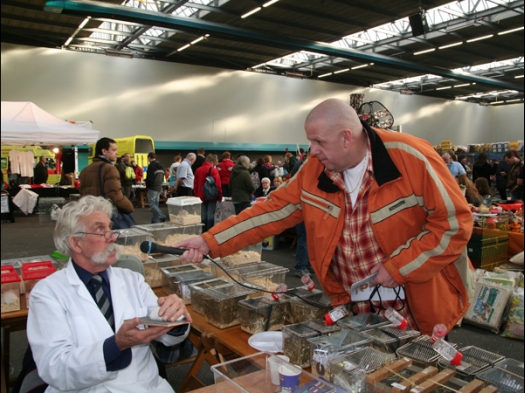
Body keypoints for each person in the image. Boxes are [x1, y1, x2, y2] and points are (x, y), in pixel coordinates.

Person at [175, 98, 474, 336]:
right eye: (310, 142)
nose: (312, 151)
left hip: (418, 307)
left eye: (319, 142)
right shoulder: (315, 171)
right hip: (355, 309)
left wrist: (399, 267)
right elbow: (269, 211)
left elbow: (455, 224)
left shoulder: (411, 158)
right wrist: (208, 242)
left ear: (346, 137)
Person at [27, 195, 191, 393]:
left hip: (146, 387)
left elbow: (168, 337)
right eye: (100, 230)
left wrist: (174, 317)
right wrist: (116, 345)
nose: (112, 236)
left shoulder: (132, 279)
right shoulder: (47, 293)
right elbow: (54, 368)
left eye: (110, 228)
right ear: (76, 243)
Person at [79, 137, 134, 216]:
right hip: (104, 213)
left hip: (88, 213)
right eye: (114, 150)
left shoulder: (85, 170)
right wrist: (129, 207)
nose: (117, 153)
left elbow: (82, 193)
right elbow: (114, 194)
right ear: (104, 151)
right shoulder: (110, 169)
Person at [194, 154, 222, 232]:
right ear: (213, 161)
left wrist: (197, 195)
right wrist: (219, 196)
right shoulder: (213, 170)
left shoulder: (198, 170)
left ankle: (202, 231)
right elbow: (218, 185)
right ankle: (209, 232)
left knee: (203, 215)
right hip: (211, 196)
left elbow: (195, 184)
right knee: (210, 214)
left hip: (200, 195)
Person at [145, 152, 167, 223]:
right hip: (159, 186)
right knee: (156, 204)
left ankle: (161, 215)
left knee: (151, 204)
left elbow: (150, 178)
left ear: (149, 157)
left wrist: (147, 184)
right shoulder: (160, 165)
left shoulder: (151, 166)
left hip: (152, 187)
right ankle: (154, 220)